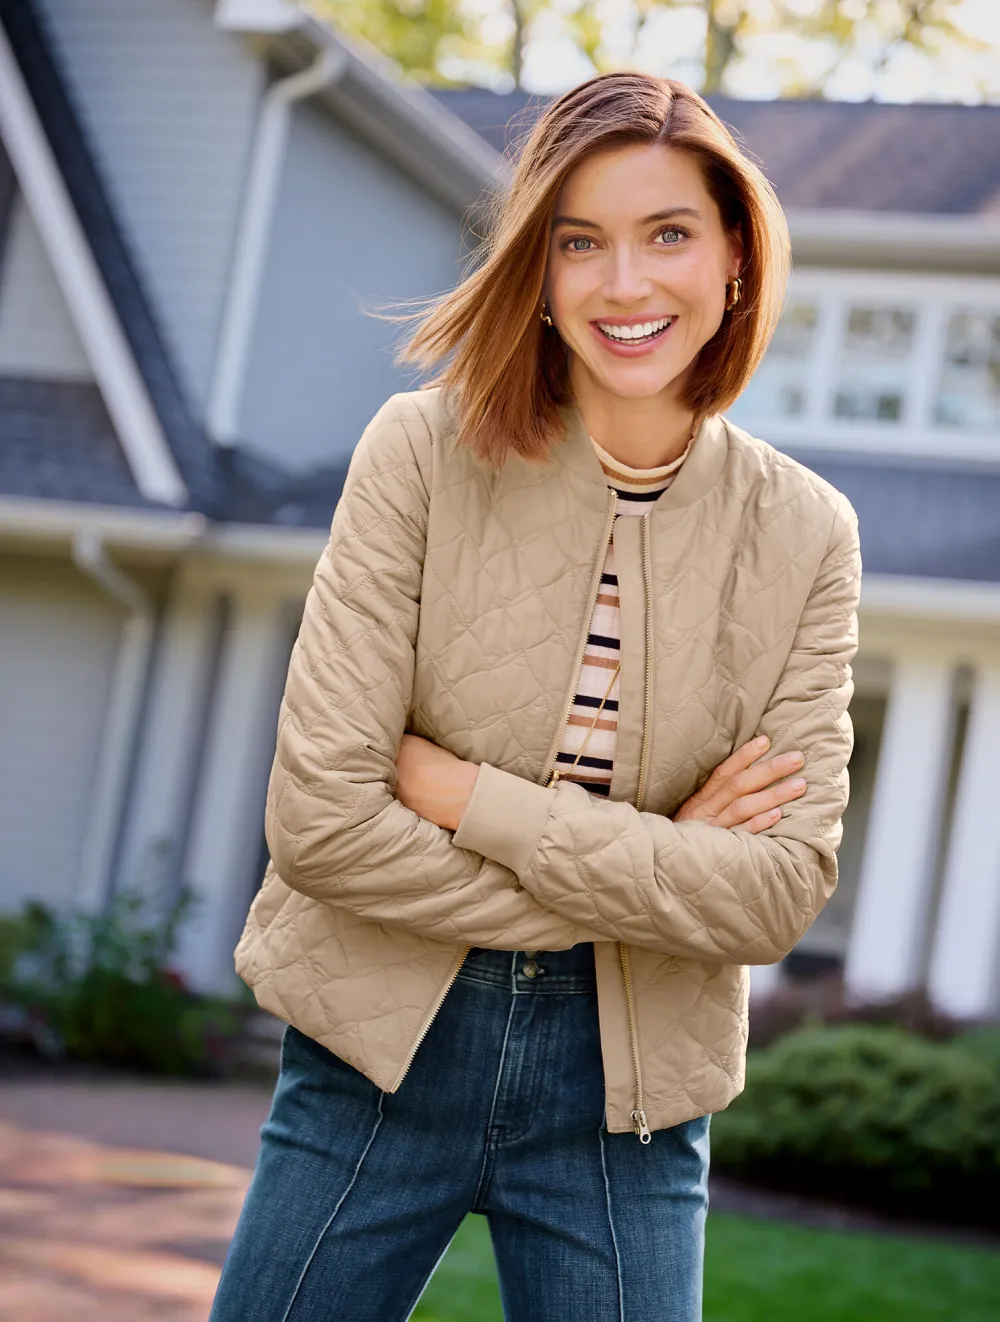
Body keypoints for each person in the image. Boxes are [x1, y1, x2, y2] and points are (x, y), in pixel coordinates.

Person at [210, 72, 861, 1322]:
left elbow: (777, 888)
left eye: (667, 233)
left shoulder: (806, 534)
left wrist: (465, 796)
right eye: (581, 243)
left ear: (733, 258)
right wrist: (659, 867)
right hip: (376, 1046)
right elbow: (324, 821)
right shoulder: (418, 452)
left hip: (626, 1099)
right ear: (540, 275)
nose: (626, 286)